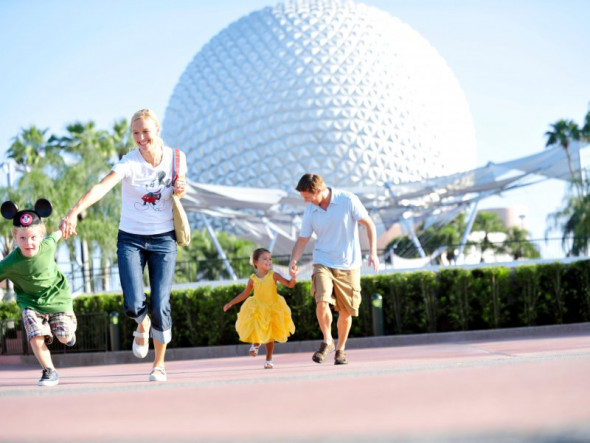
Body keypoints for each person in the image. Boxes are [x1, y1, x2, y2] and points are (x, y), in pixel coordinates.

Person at [59, 109, 187, 382]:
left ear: (157, 131)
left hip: (164, 239)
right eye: (135, 133)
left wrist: (180, 188)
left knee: (160, 302)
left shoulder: (177, 157)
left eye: (145, 132)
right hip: (131, 238)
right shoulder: (129, 162)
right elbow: (101, 187)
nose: (141, 138)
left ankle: (159, 364)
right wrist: (74, 211)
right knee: (132, 303)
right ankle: (142, 323)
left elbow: (180, 189)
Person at [289, 173, 379, 365]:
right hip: (323, 261)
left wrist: (373, 253)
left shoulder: (347, 200)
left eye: (307, 197)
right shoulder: (311, 210)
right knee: (321, 300)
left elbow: (369, 224)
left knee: (346, 311)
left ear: (319, 191)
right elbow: (303, 240)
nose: (305, 201)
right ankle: (328, 340)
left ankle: (341, 349)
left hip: (349, 264)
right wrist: (293, 261)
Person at [0, 199, 76, 387]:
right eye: (23, 238)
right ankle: (49, 370)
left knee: (64, 337)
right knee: (35, 335)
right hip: (30, 303)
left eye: (33, 237)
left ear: (41, 236)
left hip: (57, 299)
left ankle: (69, 335)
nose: (29, 243)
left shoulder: (48, 244)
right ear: (15, 238)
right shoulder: (9, 263)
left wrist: (68, 223)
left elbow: (59, 233)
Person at [223, 248, 297, 369]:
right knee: (257, 326)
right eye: (265, 259)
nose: (268, 261)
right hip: (257, 307)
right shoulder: (252, 279)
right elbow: (245, 294)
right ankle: (256, 344)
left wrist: (293, 277)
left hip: (272, 307)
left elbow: (289, 284)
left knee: (270, 335)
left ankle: (269, 359)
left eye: (270, 259)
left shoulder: (274, 275)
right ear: (255, 262)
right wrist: (231, 303)